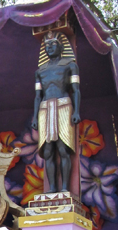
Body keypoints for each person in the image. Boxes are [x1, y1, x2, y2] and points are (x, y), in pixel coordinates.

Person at [31, 31, 81, 192]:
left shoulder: (70, 66)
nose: (50, 48)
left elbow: (76, 90)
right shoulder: (40, 71)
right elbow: (38, 96)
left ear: (61, 47)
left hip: (63, 105)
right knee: (47, 151)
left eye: (53, 44)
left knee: (63, 148)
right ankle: (52, 189)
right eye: (47, 46)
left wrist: (76, 111)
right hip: (45, 108)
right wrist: (35, 117)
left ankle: (65, 188)